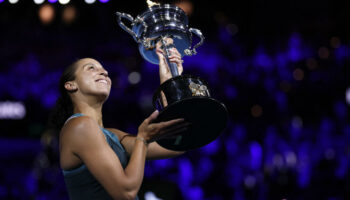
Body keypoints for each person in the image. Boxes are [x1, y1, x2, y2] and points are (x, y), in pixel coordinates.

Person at [50, 39, 187, 200]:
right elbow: (126, 193)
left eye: (103, 69)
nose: (104, 72)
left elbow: (179, 143)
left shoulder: (113, 135)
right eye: (91, 68)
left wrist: (170, 81)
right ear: (71, 85)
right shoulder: (79, 126)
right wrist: (142, 140)